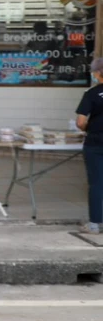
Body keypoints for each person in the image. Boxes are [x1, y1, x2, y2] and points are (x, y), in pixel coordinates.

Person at [74, 57, 103, 234]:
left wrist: (88, 126)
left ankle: (95, 224)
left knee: (96, 184)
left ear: (98, 73)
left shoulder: (92, 94)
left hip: (95, 142)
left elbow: (80, 121)